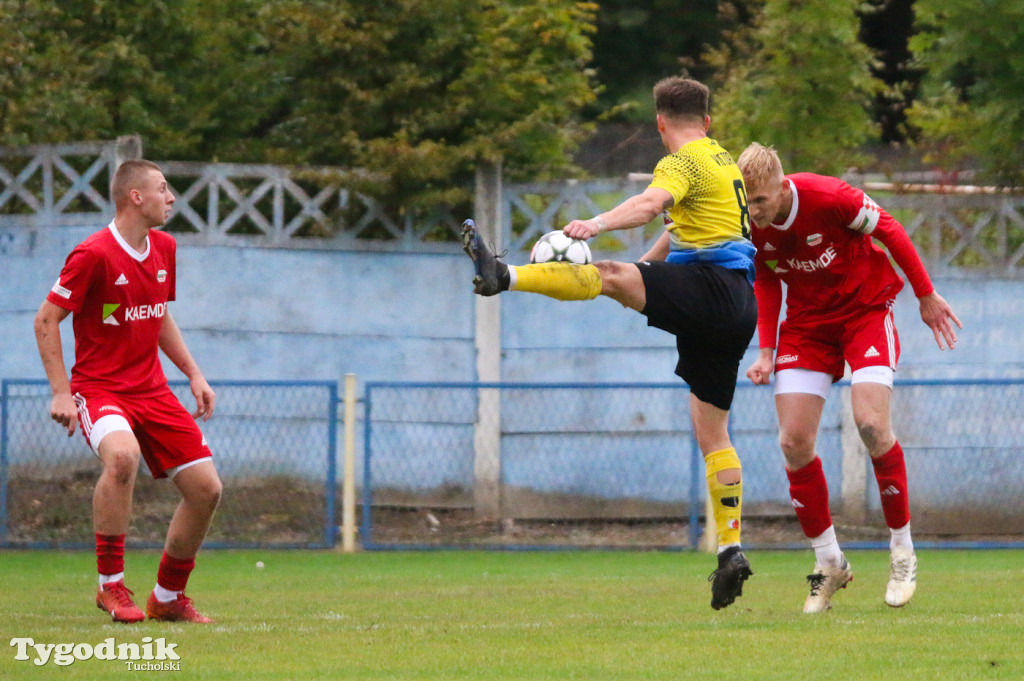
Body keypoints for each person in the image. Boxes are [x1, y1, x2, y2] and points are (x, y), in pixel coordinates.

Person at [462, 77, 758, 610]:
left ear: (660, 123)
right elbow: (677, 227)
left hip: (711, 289)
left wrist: (594, 223)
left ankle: (502, 275)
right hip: (738, 306)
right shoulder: (723, 159)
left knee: (608, 274)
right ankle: (730, 548)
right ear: (708, 120)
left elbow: (649, 205)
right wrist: (646, 272)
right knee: (713, 433)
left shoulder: (682, 162)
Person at [737, 142, 962, 613]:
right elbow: (765, 279)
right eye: (747, 201)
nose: (753, 211)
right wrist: (766, 350)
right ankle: (830, 563)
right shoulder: (751, 226)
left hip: (865, 312)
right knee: (793, 442)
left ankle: (902, 549)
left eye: (760, 200)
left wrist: (925, 294)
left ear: (782, 185)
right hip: (806, 328)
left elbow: (891, 230)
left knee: (872, 426)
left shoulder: (830, 197)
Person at [33, 159, 222, 624]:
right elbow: (45, 320)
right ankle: (111, 587)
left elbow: (158, 316)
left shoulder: (165, 247)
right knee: (122, 457)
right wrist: (61, 392)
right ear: (135, 197)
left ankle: (167, 596)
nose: (171, 197)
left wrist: (193, 373)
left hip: (152, 390)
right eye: (162, 188)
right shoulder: (93, 253)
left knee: (206, 489)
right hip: (101, 390)